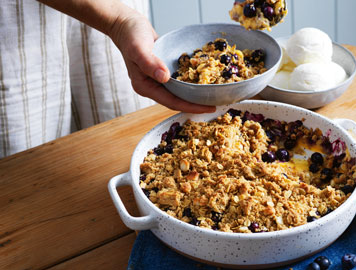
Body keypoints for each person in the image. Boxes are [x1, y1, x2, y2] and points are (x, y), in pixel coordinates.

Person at [0, 0, 215, 158]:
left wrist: (121, 20)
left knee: (121, 142)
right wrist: (118, 21)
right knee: (29, 157)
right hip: (16, 19)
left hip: (118, 9)